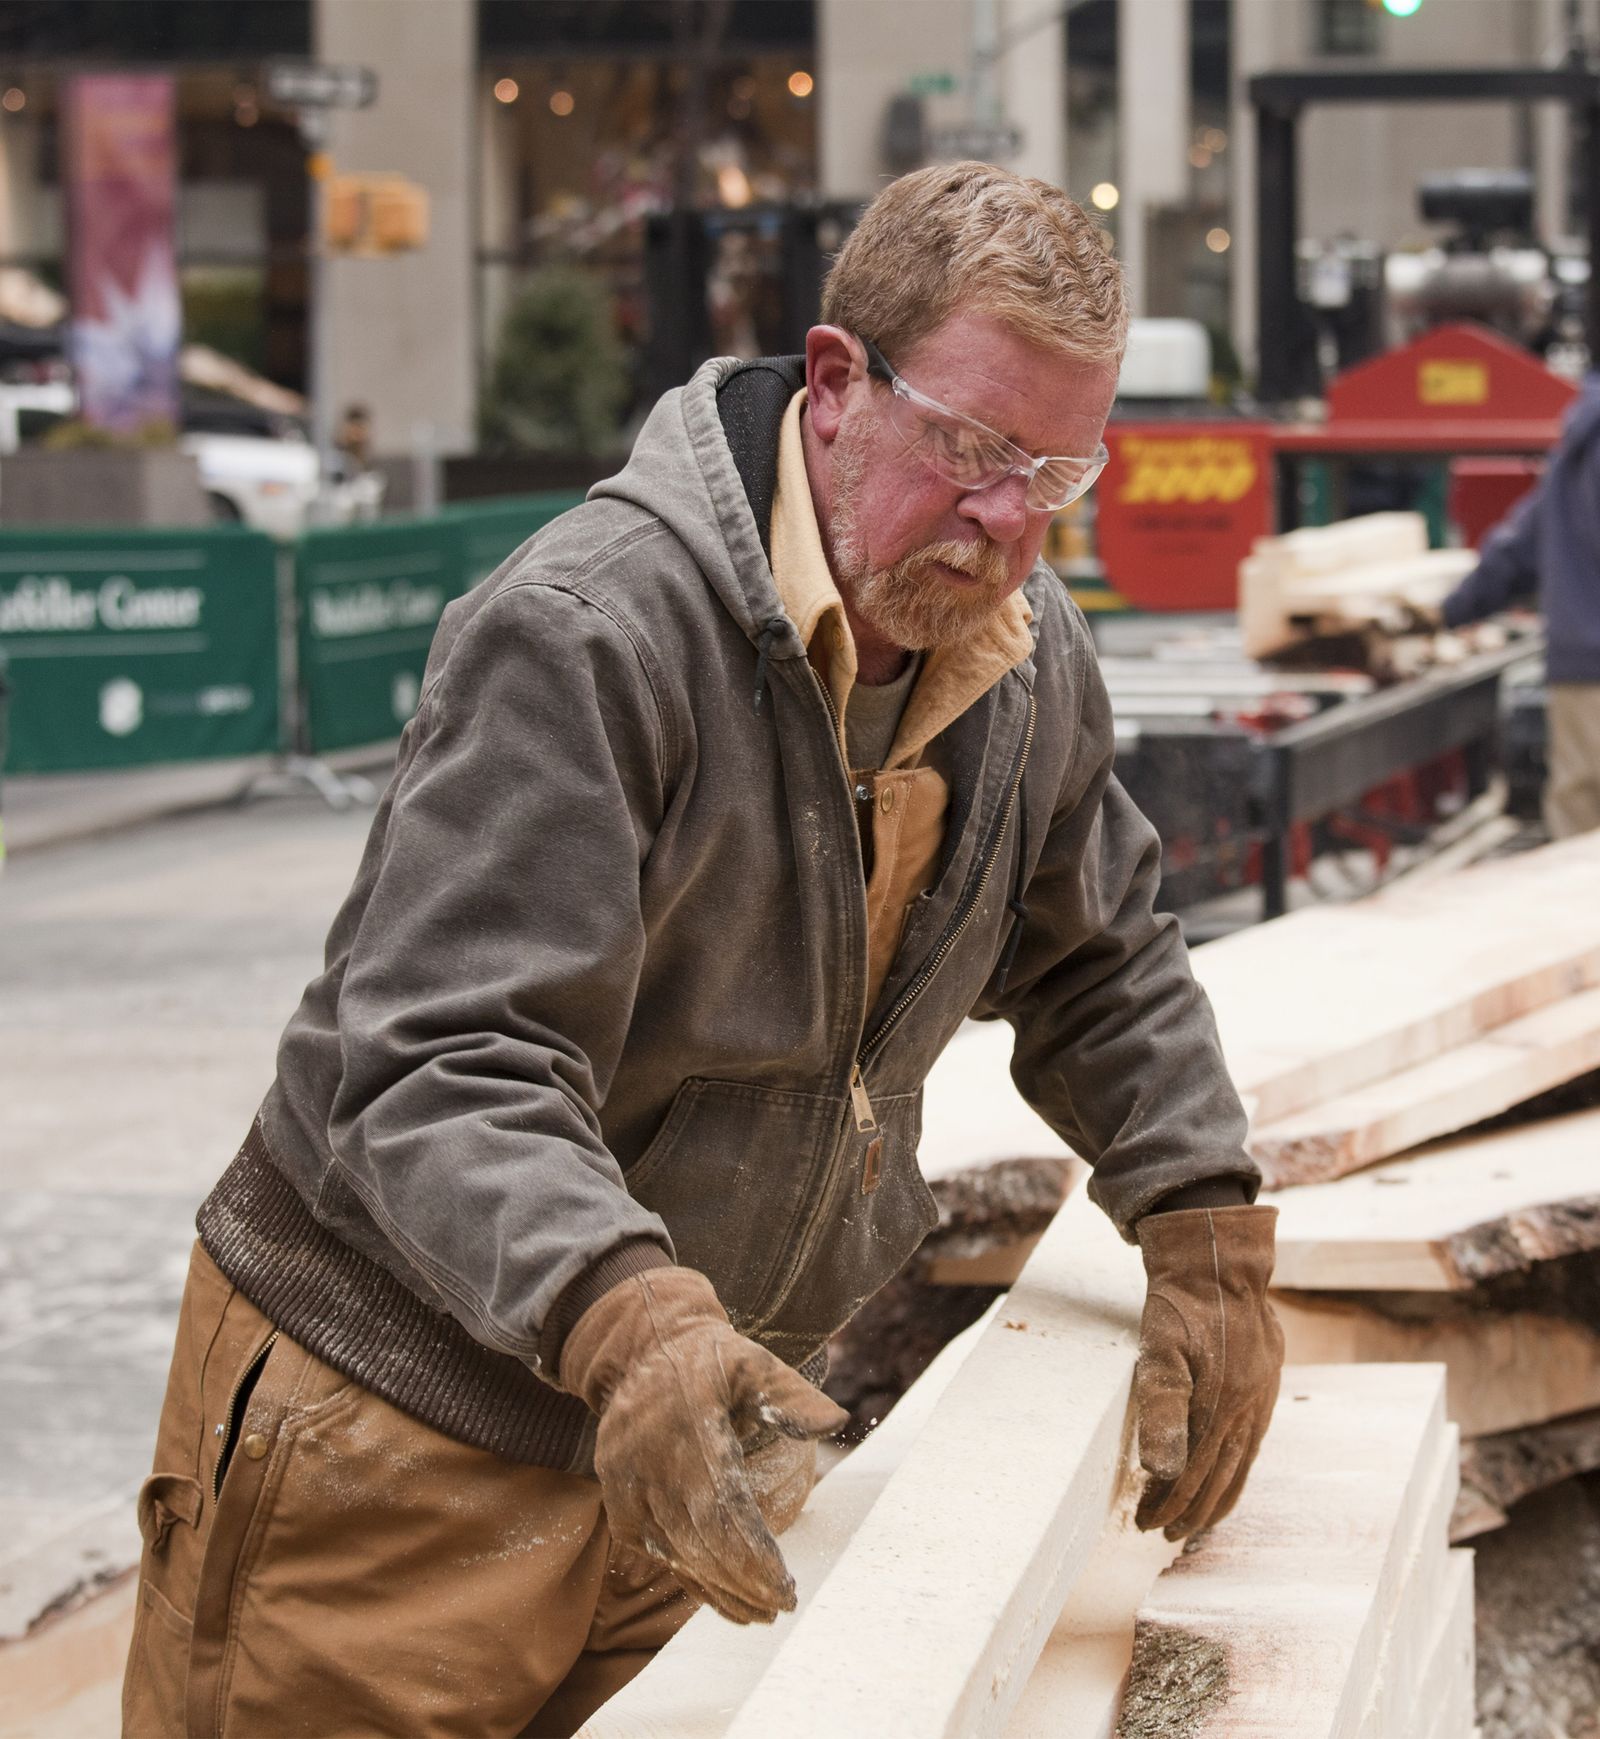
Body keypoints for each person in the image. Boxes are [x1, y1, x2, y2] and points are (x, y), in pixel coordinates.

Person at [123, 163, 1283, 1738]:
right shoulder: (591, 632)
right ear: (833, 383)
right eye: (975, 451)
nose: (1013, 522)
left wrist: (1202, 1209)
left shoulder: (1014, 654)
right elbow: (442, 1060)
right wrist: (631, 1319)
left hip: (680, 1432)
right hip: (390, 1448)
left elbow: (1098, 956)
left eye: (1059, 471)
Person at [1440, 377, 1600, 838]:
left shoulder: (1577, 442)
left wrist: (1448, 611)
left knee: (1580, 831)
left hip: (1580, 672)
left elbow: (1521, 545)